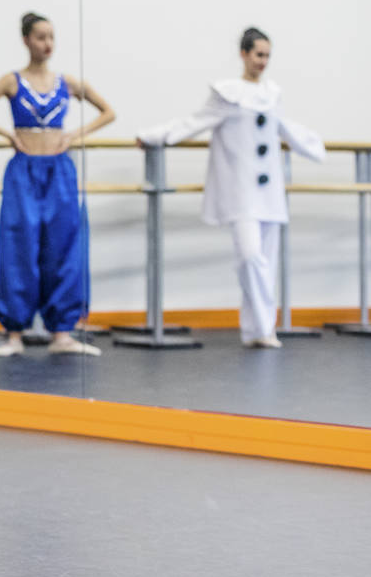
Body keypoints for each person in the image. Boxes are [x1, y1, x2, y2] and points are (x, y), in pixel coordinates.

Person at [138, 27, 324, 348]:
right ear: (244, 54)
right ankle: (263, 327)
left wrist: (313, 146)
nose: (263, 61)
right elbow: (194, 122)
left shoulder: (272, 94)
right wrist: (155, 136)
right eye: (258, 54)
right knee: (250, 257)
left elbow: (284, 128)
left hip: (270, 192)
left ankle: (257, 330)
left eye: (267, 56)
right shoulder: (227, 93)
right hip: (241, 192)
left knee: (266, 258)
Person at [0, 12, 116, 357]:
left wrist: (75, 135)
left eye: (51, 37)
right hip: (24, 172)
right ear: (26, 40)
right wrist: (7, 135)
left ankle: (62, 331)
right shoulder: (12, 81)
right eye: (40, 37)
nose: (47, 44)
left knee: (63, 247)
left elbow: (108, 111)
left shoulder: (68, 82)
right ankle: (13, 333)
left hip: (59, 171)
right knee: (19, 247)